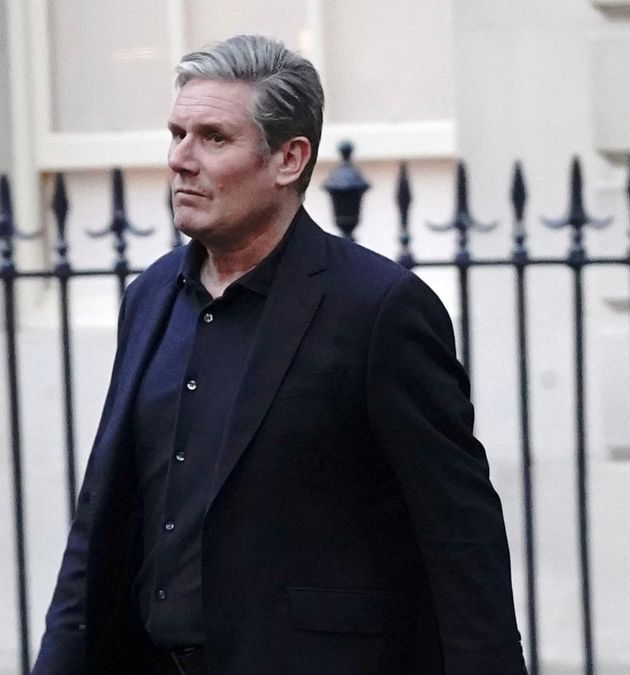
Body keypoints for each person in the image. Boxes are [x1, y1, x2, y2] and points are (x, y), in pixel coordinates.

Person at [33, 35, 525, 674]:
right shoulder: (150, 297)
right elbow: (103, 515)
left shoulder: (379, 308)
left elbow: (461, 540)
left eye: (213, 138)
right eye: (177, 133)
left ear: (289, 159)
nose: (181, 160)